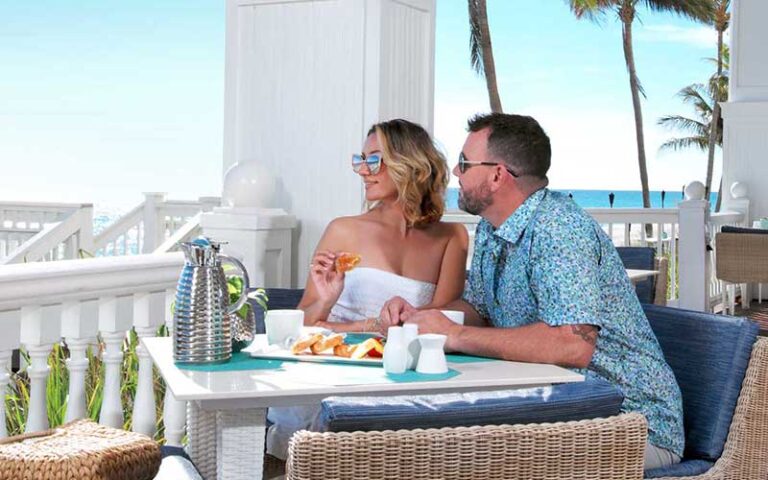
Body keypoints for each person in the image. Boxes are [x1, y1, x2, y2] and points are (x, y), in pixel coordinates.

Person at [380, 113, 684, 471]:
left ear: (497, 174)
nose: (455, 174)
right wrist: (421, 320)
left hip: (628, 425)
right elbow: (479, 307)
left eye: (464, 163)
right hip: (562, 411)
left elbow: (573, 344)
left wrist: (457, 336)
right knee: (435, 446)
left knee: (468, 459)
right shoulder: (493, 228)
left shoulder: (559, 229)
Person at [266, 118, 468, 460]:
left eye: (373, 159)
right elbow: (302, 330)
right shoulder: (343, 230)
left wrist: (350, 328)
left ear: (409, 165)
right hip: (332, 373)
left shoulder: (452, 237)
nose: (362, 170)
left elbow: (440, 329)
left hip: (403, 375)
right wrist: (327, 301)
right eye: (359, 159)